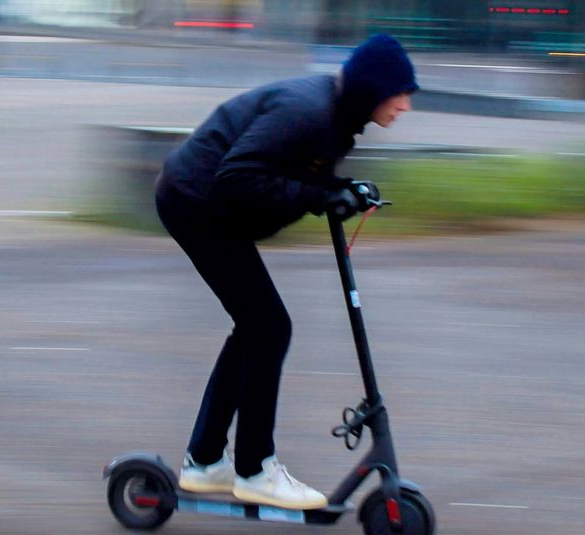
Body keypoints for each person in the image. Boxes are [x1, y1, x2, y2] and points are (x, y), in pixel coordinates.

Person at [153, 34, 417, 510]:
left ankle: (206, 460)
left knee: (258, 327)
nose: (405, 104)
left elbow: (293, 169)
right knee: (269, 327)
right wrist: (321, 198)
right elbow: (237, 176)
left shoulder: (335, 116)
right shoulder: (308, 111)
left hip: (207, 203)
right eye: (400, 92)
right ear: (374, 88)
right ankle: (255, 469)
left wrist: (342, 189)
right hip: (195, 201)